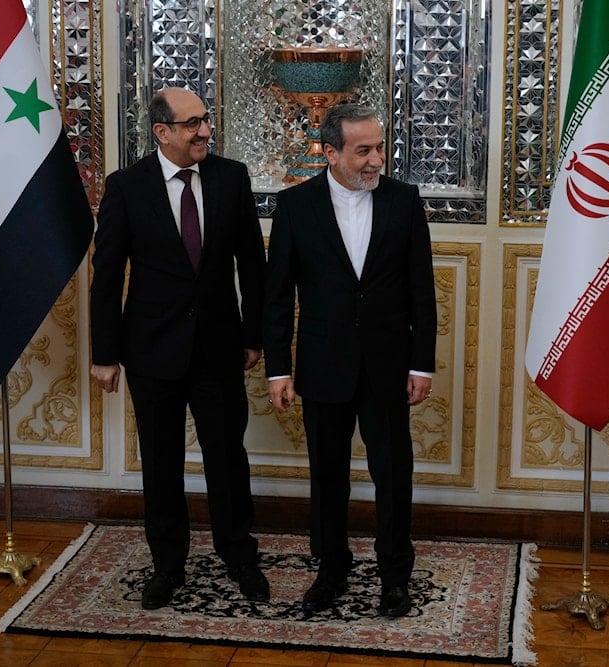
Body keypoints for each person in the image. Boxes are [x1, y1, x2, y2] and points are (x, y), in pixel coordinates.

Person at [89, 87, 269, 610]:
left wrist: (253, 336)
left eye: (206, 121)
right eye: (192, 124)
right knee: (161, 462)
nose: (204, 131)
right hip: (152, 350)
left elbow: (251, 267)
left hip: (219, 347)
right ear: (162, 132)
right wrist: (106, 353)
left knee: (227, 459)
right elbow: (107, 276)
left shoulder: (230, 178)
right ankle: (168, 565)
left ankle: (239, 556)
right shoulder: (126, 187)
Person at [263, 103, 437, 617]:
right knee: (328, 476)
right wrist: (279, 369)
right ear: (330, 152)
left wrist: (421, 364)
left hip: (389, 365)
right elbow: (277, 298)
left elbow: (421, 294)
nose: (375, 160)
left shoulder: (404, 202)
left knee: (393, 474)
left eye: (379, 148)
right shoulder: (294, 206)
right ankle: (331, 570)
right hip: (323, 366)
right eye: (363, 150)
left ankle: (394, 577)